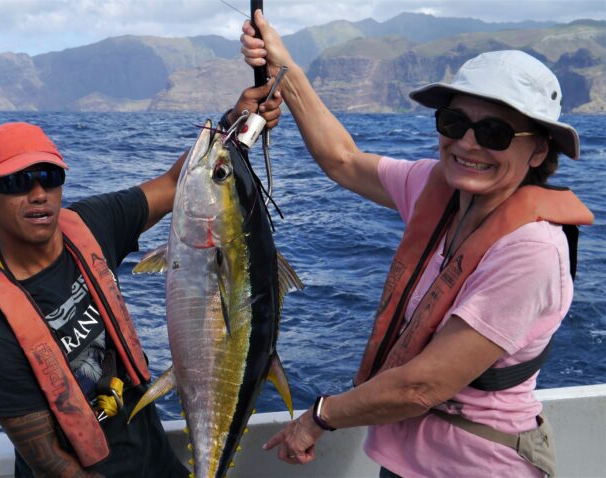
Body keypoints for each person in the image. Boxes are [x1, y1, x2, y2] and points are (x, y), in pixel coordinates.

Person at [240, 10, 593, 478]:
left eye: (496, 133)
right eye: (454, 122)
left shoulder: (532, 251)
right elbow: (343, 160)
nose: (468, 144)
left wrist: (318, 417)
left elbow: (422, 386)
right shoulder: (439, 189)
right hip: (406, 460)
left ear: (539, 150)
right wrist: (286, 68)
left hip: (476, 466)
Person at [0, 83, 282, 478]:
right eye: (16, 183)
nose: (38, 194)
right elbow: (50, 462)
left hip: (158, 465)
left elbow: (175, 185)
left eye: (49, 177)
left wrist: (232, 126)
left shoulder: (91, 225)